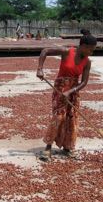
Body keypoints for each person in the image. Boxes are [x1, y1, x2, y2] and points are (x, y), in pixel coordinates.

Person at [36, 33, 97, 161]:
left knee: (72, 118)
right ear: (83, 46)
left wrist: (71, 92)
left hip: (74, 91)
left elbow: (84, 82)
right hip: (60, 88)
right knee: (58, 116)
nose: (91, 52)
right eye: (90, 49)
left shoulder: (87, 62)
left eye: (93, 50)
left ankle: (68, 147)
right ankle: (48, 147)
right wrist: (40, 69)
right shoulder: (66, 52)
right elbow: (45, 51)